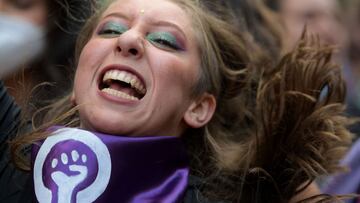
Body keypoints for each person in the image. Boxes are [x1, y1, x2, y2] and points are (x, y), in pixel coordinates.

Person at [0, 0, 352, 202]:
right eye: (110, 29)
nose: (129, 40)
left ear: (198, 107)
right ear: (78, 79)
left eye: (166, 40)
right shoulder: (11, 158)